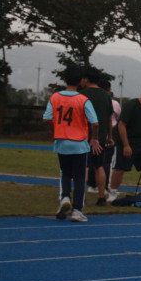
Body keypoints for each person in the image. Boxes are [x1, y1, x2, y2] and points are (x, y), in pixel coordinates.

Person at [43, 66, 102, 222]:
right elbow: (95, 123)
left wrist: (58, 126)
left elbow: (47, 118)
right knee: (79, 177)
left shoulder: (55, 97)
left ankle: (65, 197)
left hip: (62, 142)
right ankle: (77, 210)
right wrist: (94, 138)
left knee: (65, 173)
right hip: (79, 143)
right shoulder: (83, 100)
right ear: (81, 81)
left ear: (64, 79)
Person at [108, 82, 141, 202]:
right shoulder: (131, 105)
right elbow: (121, 125)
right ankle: (113, 192)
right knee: (120, 167)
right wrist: (126, 146)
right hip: (126, 140)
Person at [80, 68, 114, 206]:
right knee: (99, 166)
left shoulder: (81, 94)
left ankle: (80, 196)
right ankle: (101, 197)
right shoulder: (106, 95)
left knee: (84, 166)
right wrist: (109, 137)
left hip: (83, 137)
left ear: (86, 79)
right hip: (100, 138)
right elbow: (109, 118)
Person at [87, 79, 120, 193]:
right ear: (109, 89)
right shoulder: (112, 102)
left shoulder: (90, 99)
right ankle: (105, 186)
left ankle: (92, 185)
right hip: (107, 132)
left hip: (92, 133)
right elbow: (117, 116)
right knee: (106, 162)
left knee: (91, 161)